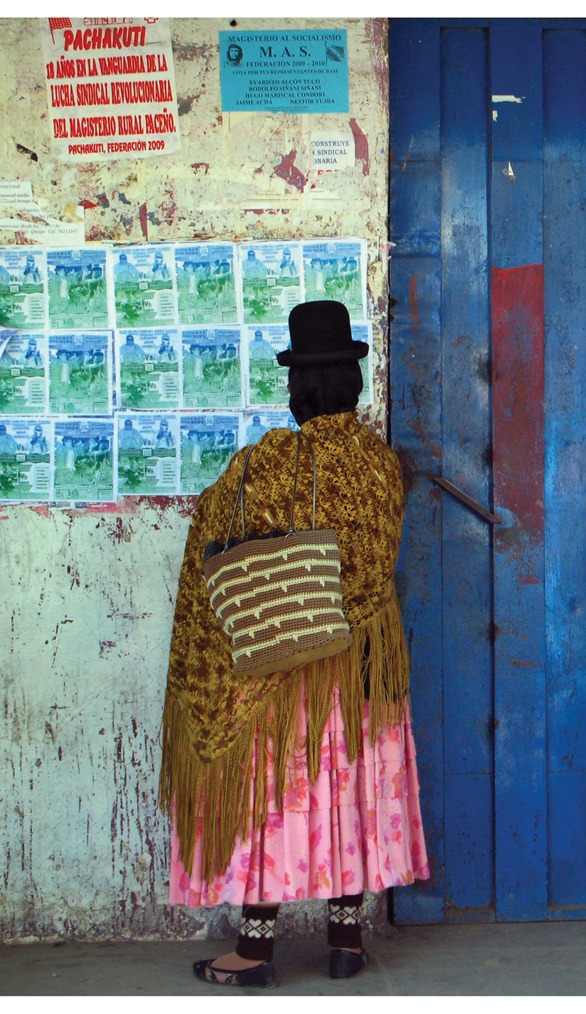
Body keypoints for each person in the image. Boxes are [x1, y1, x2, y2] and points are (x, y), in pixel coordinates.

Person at [159, 300, 428, 988]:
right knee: (354, 790)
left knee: (274, 792)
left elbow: (217, 526)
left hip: (291, 662)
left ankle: (254, 951)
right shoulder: (379, 465)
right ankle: (346, 942)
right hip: (364, 661)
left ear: (298, 389)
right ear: (353, 385)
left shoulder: (273, 464)